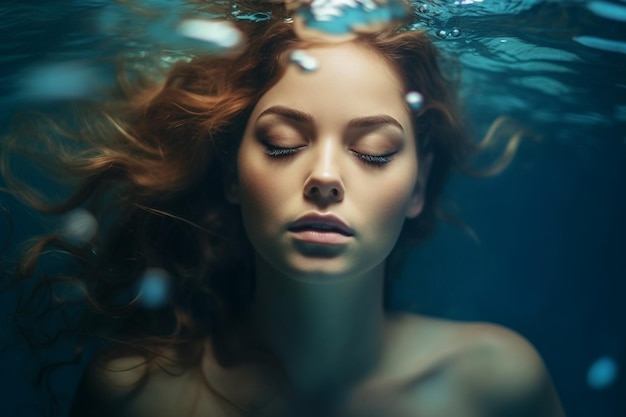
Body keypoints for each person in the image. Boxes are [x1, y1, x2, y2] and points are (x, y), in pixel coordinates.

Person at [1, 1, 565, 416]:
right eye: (282, 143)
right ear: (230, 174)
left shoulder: (498, 385)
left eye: (374, 151)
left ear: (417, 188)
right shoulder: (134, 397)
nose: (323, 177)